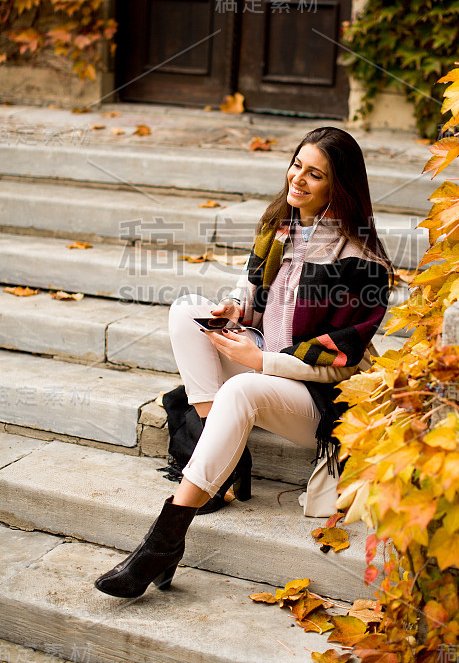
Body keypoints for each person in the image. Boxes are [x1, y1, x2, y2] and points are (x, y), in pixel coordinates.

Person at [94, 126, 392, 598]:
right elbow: (252, 292)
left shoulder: (362, 261)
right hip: (264, 358)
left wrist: (260, 359)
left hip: (315, 395)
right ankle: (225, 462)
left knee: (239, 388)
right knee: (186, 310)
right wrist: (235, 309)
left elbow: (342, 362)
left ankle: (165, 538)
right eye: (297, 165)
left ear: (340, 187)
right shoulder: (282, 224)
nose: (298, 179)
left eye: (315, 175)